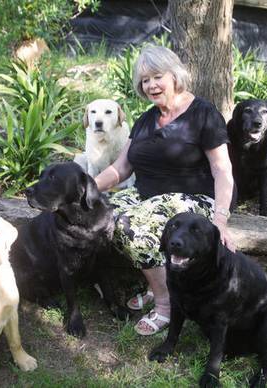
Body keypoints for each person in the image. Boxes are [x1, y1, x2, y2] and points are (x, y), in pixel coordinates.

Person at [95, 45, 235, 335]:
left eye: (157, 76)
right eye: (145, 80)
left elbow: (222, 169)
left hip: (193, 200)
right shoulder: (147, 118)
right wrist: (85, 188)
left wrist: (220, 220)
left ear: (175, 76)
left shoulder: (202, 114)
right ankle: (158, 283)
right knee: (100, 215)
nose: (151, 85)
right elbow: (122, 168)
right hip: (148, 196)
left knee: (130, 226)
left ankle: (166, 305)